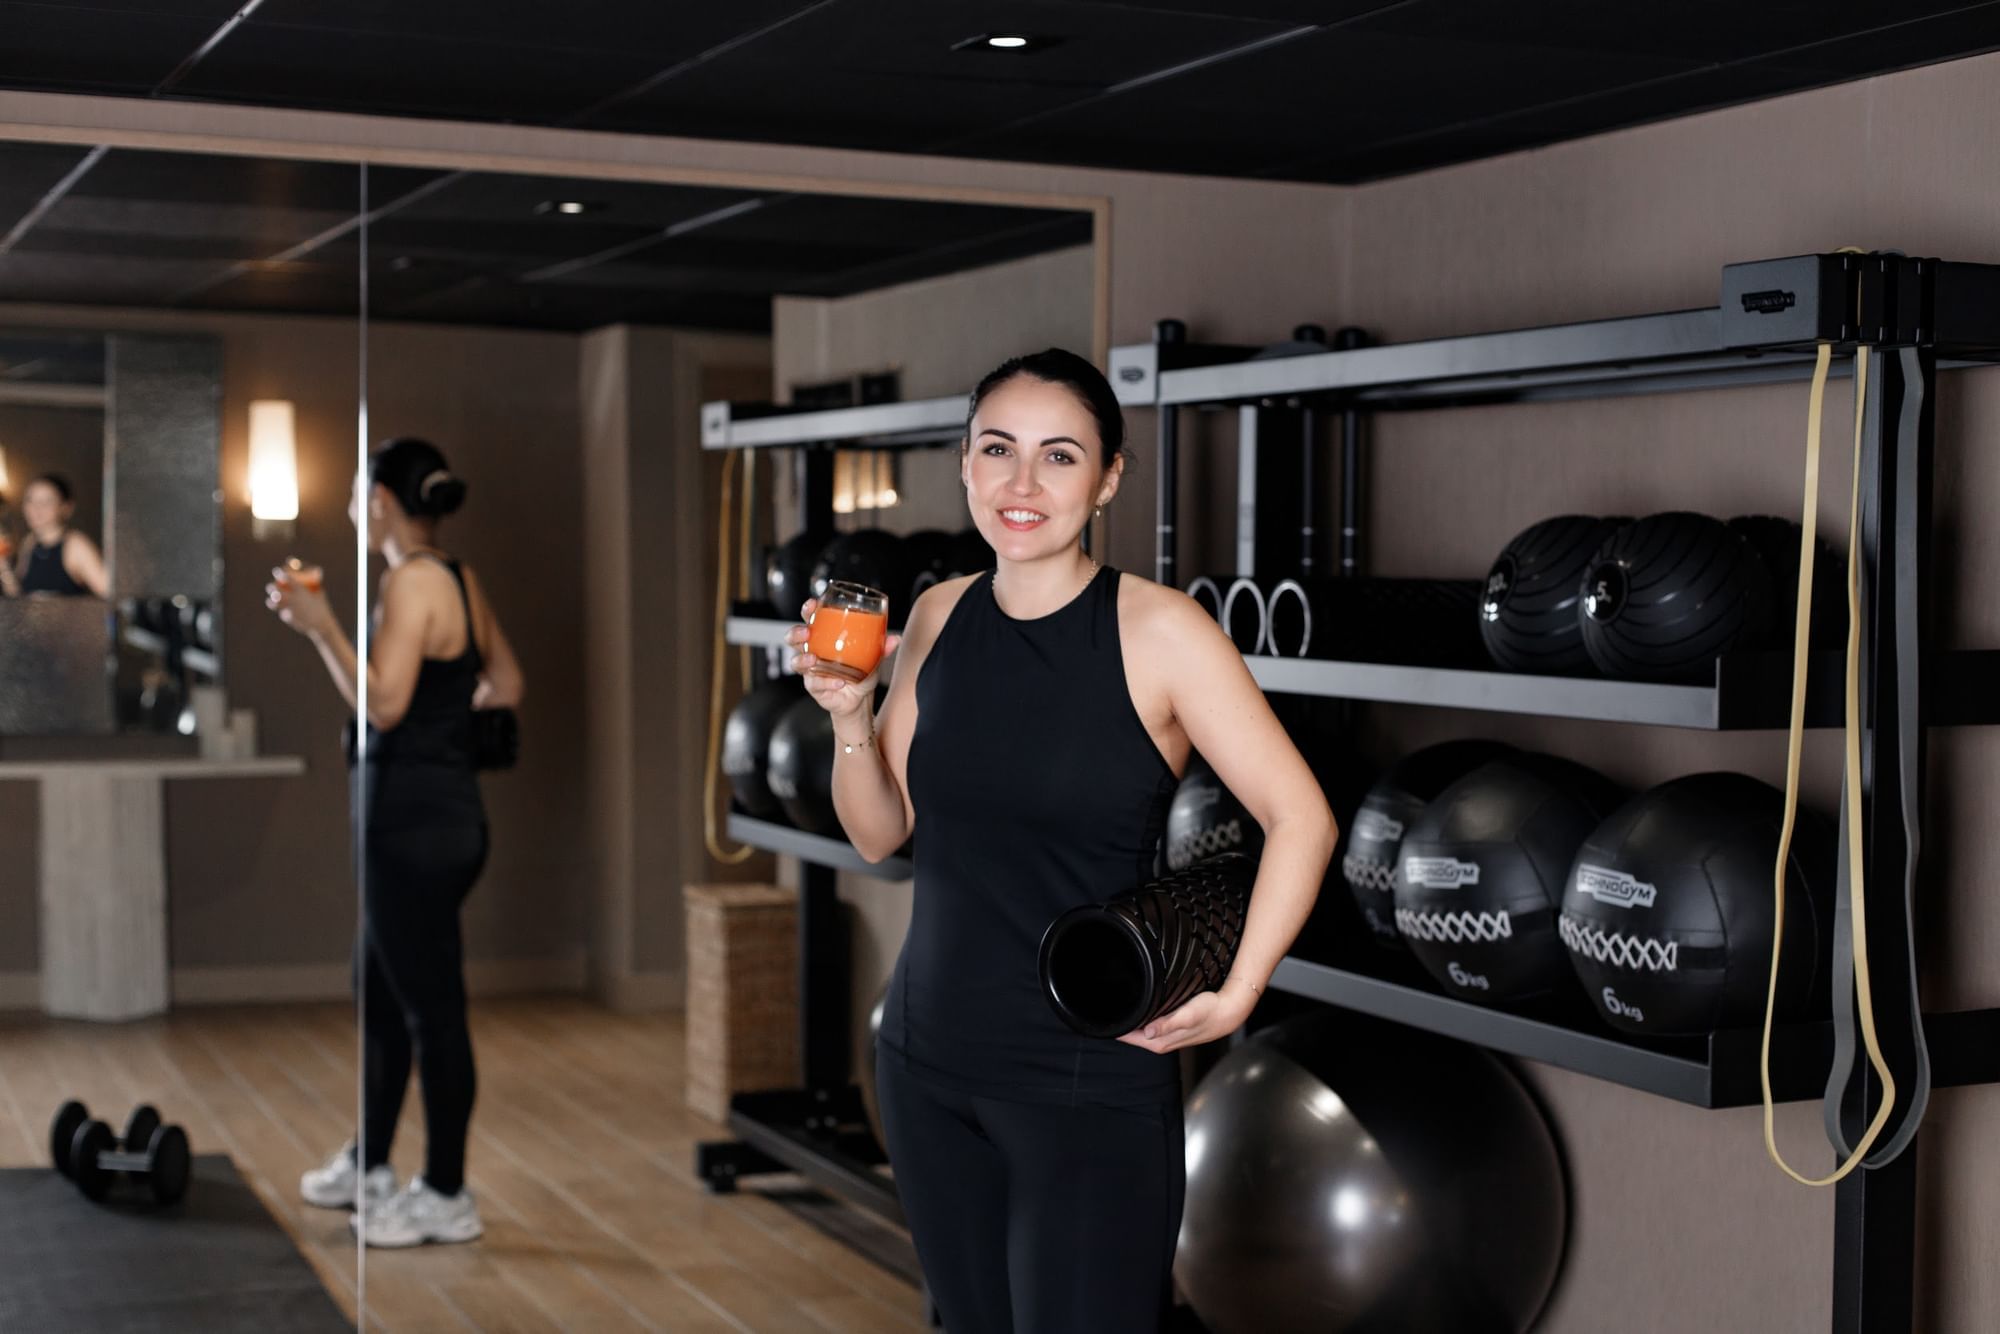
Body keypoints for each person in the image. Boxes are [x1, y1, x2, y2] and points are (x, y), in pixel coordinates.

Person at [786, 349, 1338, 1333]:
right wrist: (846, 714)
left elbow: (1300, 816)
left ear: (1107, 477)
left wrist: (1236, 992)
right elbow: (879, 833)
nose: (1021, 484)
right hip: (925, 1060)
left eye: (1058, 455)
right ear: (963, 463)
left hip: (1083, 1081)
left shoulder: (1161, 632)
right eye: (997, 449)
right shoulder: (937, 612)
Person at [266, 437, 524, 1249]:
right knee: (376, 989)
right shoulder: (457, 576)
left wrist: (320, 628)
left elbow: (381, 705)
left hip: (411, 826)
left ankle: (447, 1193)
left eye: (354, 490)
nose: (348, 503)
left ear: (380, 498)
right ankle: (372, 1164)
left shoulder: (411, 582)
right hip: (444, 815)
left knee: (431, 1011)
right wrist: (445, 731)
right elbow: (507, 684)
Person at [2, 474, 108, 598]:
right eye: (30, 500)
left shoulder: (76, 544)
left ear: (66, 507)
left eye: (47, 501)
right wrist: (4, 569)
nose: (36, 508)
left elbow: (111, 596)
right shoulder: (29, 542)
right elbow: (21, 597)